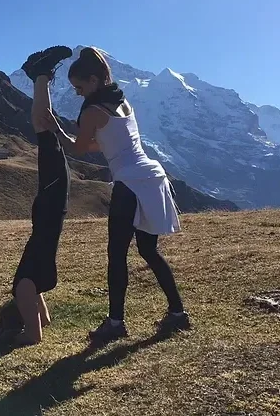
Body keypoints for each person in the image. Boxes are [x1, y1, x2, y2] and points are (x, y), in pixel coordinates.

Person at [42, 47, 190, 343]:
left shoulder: (92, 111)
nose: (78, 94)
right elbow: (111, 144)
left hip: (129, 182)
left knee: (117, 254)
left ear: (93, 80)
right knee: (149, 250)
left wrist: (55, 130)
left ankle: (115, 322)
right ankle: (177, 313)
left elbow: (80, 148)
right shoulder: (122, 102)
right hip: (152, 176)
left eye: (80, 88)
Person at [4, 45, 72, 345]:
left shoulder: (29, 287)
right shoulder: (24, 287)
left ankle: (40, 74)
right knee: (44, 129)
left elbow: (42, 322)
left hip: (51, 210)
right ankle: (39, 75)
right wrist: (27, 332)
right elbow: (37, 327)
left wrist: (25, 328)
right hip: (48, 206)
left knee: (45, 130)